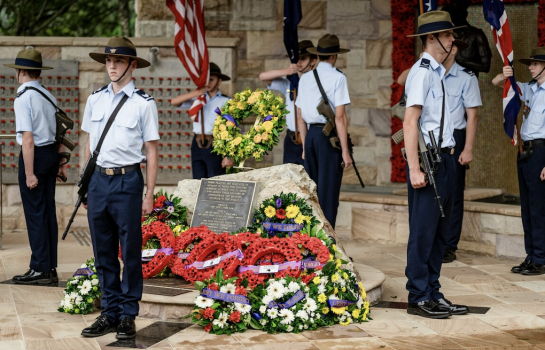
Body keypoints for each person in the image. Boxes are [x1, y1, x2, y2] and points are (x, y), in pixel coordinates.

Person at [80, 36, 159, 339]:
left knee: (130, 250)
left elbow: (151, 150)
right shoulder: (95, 99)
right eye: (109, 61)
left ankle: (128, 313)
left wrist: (149, 193)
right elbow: (88, 146)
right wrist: (84, 183)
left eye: (119, 61)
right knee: (103, 251)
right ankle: (109, 312)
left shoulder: (143, 104)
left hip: (128, 181)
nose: (112, 66)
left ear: (132, 65)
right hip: (99, 180)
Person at [404, 11, 468, 319]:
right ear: (432, 38)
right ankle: (418, 296)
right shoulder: (423, 72)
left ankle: (432, 290)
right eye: (447, 35)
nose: (452, 39)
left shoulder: (437, 71)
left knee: (440, 230)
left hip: (445, 157)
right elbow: (410, 121)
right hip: (429, 159)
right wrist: (415, 168)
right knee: (424, 229)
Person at [6, 49, 67, 285]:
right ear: (38, 71)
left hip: (36, 156)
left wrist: (29, 173)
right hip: (51, 153)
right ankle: (49, 266)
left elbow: (28, 140)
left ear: (20, 72)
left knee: (35, 213)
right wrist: (61, 163)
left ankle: (40, 268)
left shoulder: (23, 98)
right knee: (47, 212)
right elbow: (62, 131)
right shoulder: (47, 95)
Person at [493, 47, 545, 276]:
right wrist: (506, 74)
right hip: (525, 152)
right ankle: (531, 255)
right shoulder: (530, 89)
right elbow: (497, 83)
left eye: (534, 64)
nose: (530, 67)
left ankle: (541, 257)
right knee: (527, 208)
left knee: (538, 208)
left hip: (541, 152)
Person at [295, 34, 352, 229]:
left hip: (310, 136)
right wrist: (345, 151)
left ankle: (312, 242)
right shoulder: (338, 77)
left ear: (318, 56)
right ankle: (328, 247)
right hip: (328, 138)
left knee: (312, 191)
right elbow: (340, 117)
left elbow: (300, 117)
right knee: (328, 193)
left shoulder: (305, 78)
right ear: (334, 55)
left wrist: (304, 146)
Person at [441, 39, 482, 263]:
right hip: (432, 138)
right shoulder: (428, 73)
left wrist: (468, 148)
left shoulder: (467, 77)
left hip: (456, 138)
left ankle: (448, 245)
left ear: (453, 49)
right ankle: (434, 241)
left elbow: (472, 115)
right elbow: (401, 80)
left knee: (454, 195)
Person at [259, 40, 318, 165]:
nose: (299, 62)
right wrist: (287, 71)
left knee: (309, 176)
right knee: (289, 177)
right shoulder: (290, 82)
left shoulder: (316, 82)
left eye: (304, 58)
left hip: (309, 136)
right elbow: (263, 77)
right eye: (297, 59)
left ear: (313, 61)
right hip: (291, 137)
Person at [171, 63, 233, 179]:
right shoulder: (198, 99)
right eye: (205, 80)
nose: (208, 83)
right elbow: (174, 102)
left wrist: (229, 155)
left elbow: (232, 129)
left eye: (211, 79)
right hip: (197, 141)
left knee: (215, 181)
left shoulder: (226, 101)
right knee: (197, 181)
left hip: (216, 143)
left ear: (219, 81)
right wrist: (196, 93)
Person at [442, 0, 492, 77]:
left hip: (469, 84)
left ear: (463, 16)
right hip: (447, 84)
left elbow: (485, 66)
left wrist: (460, 61)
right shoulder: (446, 36)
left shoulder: (477, 34)